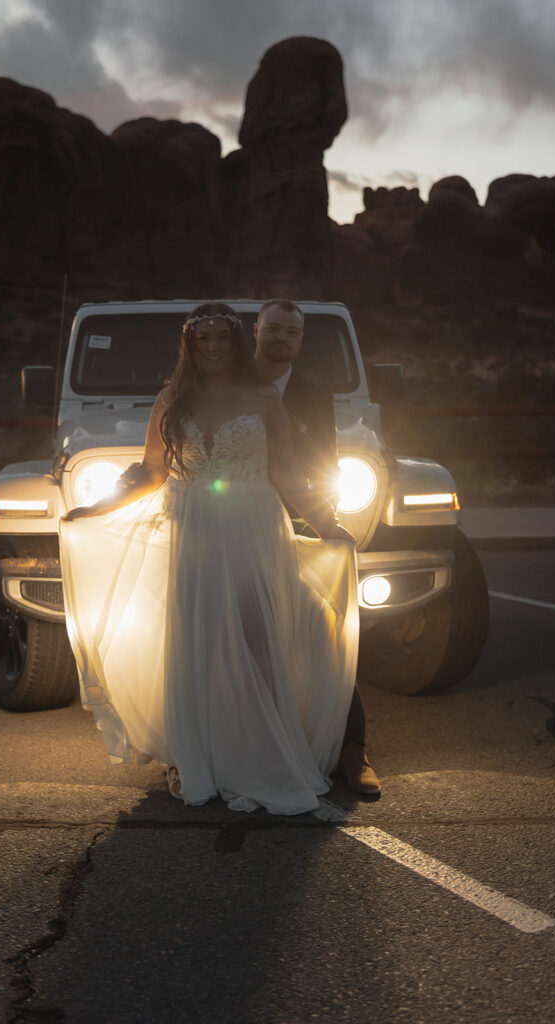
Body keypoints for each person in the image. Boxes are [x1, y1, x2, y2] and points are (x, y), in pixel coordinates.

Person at [59, 302, 359, 815]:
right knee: (198, 640)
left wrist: (330, 525)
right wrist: (95, 508)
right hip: (194, 529)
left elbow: (286, 472)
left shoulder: (264, 399)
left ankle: (262, 753)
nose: (214, 347)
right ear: (190, 346)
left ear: (237, 342)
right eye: (204, 340)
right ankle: (204, 756)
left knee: (256, 635)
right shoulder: (171, 400)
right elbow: (152, 473)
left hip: (253, 527)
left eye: (223, 337)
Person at [253, 299, 381, 796]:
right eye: (273, 329)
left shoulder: (313, 395)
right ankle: (241, 746)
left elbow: (322, 466)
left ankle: (350, 750)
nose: (282, 339)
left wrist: (326, 522)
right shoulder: (225, 385)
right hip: (229, 530)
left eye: (292, 332)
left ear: (301, 341)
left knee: (322, 634)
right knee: (239, 642)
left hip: (297, 528)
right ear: (255, 330)